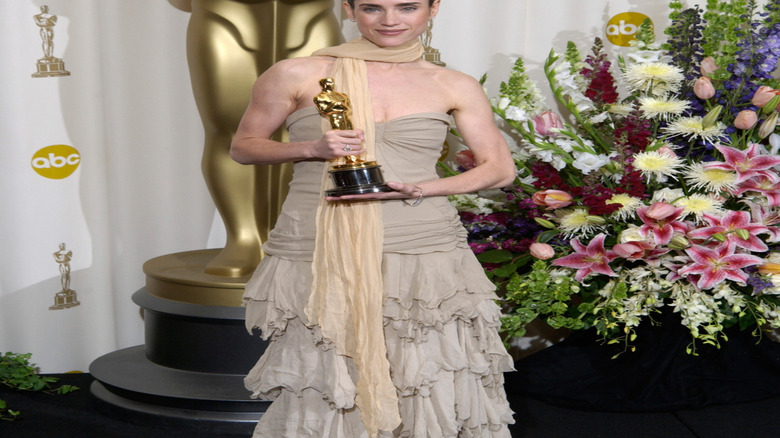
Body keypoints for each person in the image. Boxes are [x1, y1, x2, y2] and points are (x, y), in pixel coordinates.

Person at [232, 0, 516, 436]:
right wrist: (312, 148)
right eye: (372, 7)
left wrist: (422, 188)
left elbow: (499, 169)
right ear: (349, 10)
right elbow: (244, 146)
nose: (390, 20)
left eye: (407, 7)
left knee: (425, 370)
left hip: (422, 245)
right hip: (318, 241)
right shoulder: (296, 73)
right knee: (327, 370)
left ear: (433, 9)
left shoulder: (452, 83)